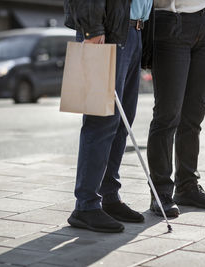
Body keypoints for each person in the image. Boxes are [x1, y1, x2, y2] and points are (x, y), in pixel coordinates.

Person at [64, 0, 153, 233]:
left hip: (134, 31)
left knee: (123, 122)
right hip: (108, 31)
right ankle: (86, 205)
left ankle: (108, 196)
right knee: (101, 121)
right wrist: (92, 28)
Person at [147, 0, 205, 218]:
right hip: (172, 21)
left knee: (194, 114)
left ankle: (187, 186)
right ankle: (160, 192)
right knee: (167, 115)